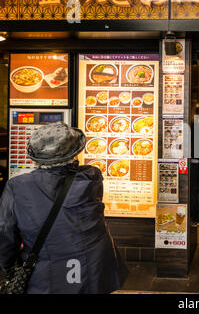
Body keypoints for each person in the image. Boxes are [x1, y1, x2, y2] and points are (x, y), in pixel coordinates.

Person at [0, 122, 128, 294]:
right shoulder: (91, 178)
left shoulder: (17, 187)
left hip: (45, 271)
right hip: (94, 267)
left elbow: (5, 232)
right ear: (74, 154)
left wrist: (8, 265)